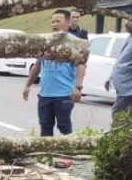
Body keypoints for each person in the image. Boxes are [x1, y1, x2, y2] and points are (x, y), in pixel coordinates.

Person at [22, 9, 85, 137]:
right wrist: (27, 85)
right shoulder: (46, 42)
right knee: (45, 128)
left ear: (67, 22)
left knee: (64, 127)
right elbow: (38, 65)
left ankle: (67, 156)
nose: (54, 25)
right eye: (53, 22)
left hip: (64, 95)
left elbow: (81, 65)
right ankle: (46, 156)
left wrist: (78, 87)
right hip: (45, 94)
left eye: (58, 21)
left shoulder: (75, 43)